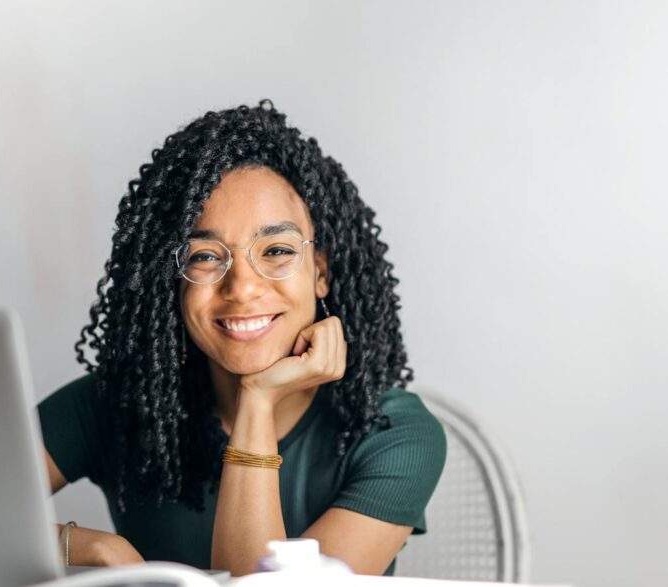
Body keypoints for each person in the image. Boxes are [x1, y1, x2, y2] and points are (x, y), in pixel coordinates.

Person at [37, 99, 446, 577]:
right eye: (205, 257)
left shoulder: (393, 434)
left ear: (321, 272)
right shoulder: (115, 403)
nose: (243, 288)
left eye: (276, 250)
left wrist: (258, 399)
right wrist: (88, 547)